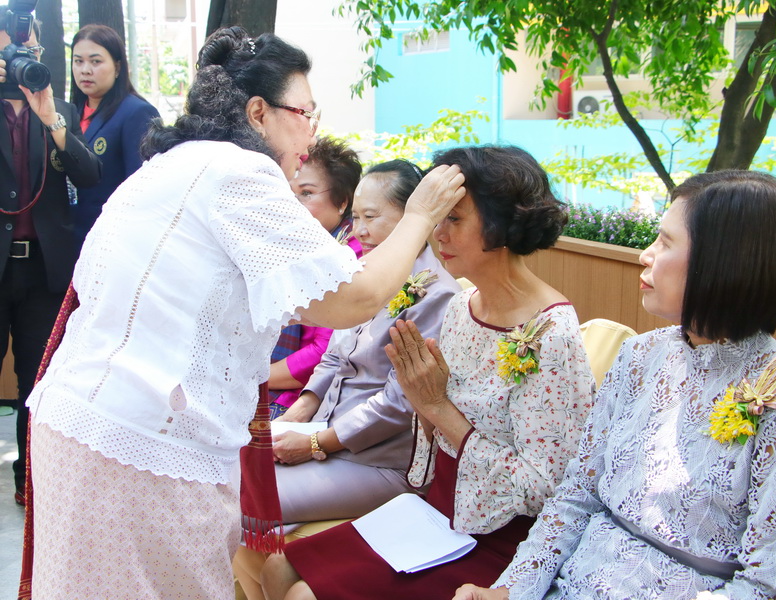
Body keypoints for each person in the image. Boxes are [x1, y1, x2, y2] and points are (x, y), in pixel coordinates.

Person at [21, 26, 464, 600]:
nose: (312, 131)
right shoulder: (239, 173)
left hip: (82, 422)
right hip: (143, 445)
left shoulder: (172, 165)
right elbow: (355, 297)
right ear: (259, 113)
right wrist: (420, 216)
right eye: (305, 113)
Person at [453, 170, 776, 600]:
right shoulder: (640, 355)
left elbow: (768, 586)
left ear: (725, 261)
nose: (645, 255)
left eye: (665, 243)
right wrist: (510, 591)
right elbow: (576, 495)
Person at [260, 145, 595, 600]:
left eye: (453, 219)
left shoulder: (551, 335)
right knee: (278, 567)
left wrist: (433, 406)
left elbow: (544, 489)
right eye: (438, 218)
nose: (437, 233)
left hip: (500, 536)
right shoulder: (462, 307)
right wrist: (424, 406)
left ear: (502, 225)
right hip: (437, 508)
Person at [234, 158, 461, 600]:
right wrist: (298, 415)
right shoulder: (367, 274)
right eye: (356, 217)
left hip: (380, 459)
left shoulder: (438, 295)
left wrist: (317, 443)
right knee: (231, 466)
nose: (359, 230)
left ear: (414, 215)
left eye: (371, 217)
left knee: (241, 500)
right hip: (328, 431)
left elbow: (402, 402)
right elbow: (334, 356)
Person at [0, 8, 101, 507]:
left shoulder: (55, 109)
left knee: (37, 382)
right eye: (10, 52)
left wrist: (52, 121)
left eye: (29, 50)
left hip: (44, 270)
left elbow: (88, 174)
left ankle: (31, 479)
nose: (21, 60)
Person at [268, 135, 363, 419]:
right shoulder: (295, 244)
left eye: (306, 193)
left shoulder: (351, 253)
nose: (293, 203)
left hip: (301, 398)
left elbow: (324, 349)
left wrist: (253, 376)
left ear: (342, 202)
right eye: (289, 193)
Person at [69, 24, 160, 244]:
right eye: (78, 61)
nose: (85, 70)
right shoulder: (68, 113)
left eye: (96, 61)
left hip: (109, 239)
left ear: (117, 67)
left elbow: (141, 190)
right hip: (67, 239)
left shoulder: (136, 113)